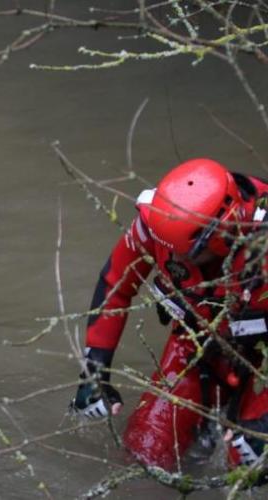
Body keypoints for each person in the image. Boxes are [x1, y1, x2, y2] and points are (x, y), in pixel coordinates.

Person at [71, 158, 268, 470]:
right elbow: (115, 285)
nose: (172, 258)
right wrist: (94, 373)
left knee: (248, 464)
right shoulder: (157, 226)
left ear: (221, 234)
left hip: (262, 358)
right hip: (197, 342)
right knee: (145, 449)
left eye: (185, 253)